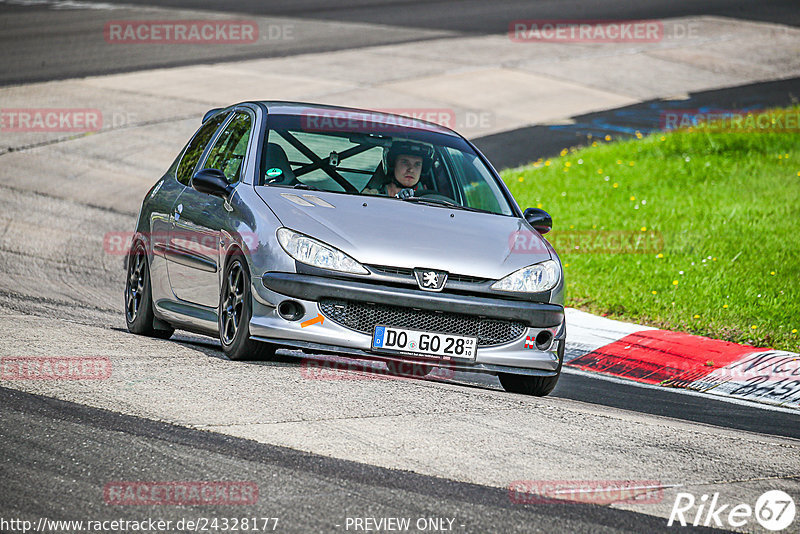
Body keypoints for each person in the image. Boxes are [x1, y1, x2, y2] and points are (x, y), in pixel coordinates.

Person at [362, 140, 433, 197]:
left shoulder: (429, 201)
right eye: (405, 162)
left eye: (417, 164)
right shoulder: (372, 196)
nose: (411, 170)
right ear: (393, 165)